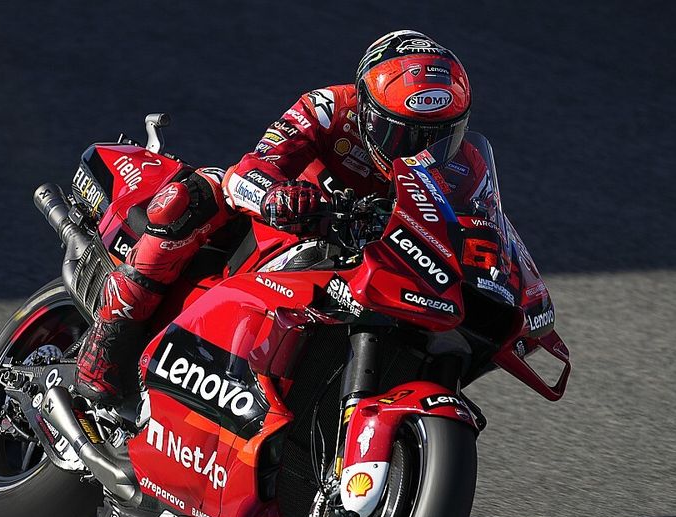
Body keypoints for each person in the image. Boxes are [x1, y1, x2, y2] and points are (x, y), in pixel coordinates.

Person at [76, 30, 475, 406]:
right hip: (290, 228)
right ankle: (110, 339)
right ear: (368, 113)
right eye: (404, 135)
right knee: (191, 195)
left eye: (441, 137)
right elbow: (248, 170)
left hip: (377, 262)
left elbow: (485, 224)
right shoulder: (328, 110)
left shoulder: (464, 166)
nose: (422, 150)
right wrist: (275, 195)